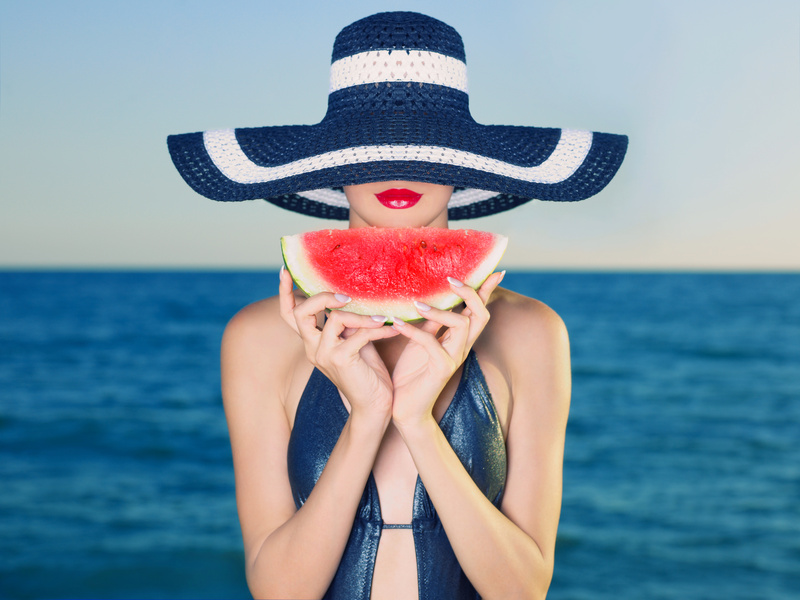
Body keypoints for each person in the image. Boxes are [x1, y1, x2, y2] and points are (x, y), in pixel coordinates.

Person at [167, 11, 627, 600]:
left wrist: (415, 421)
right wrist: (366, 419)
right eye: (369, 151)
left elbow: (524, 590)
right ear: (334, 172)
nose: (399, 169)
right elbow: (278, 591)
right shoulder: (258, 337)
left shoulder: (532, 332)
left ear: (462, 170)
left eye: (428, 151)